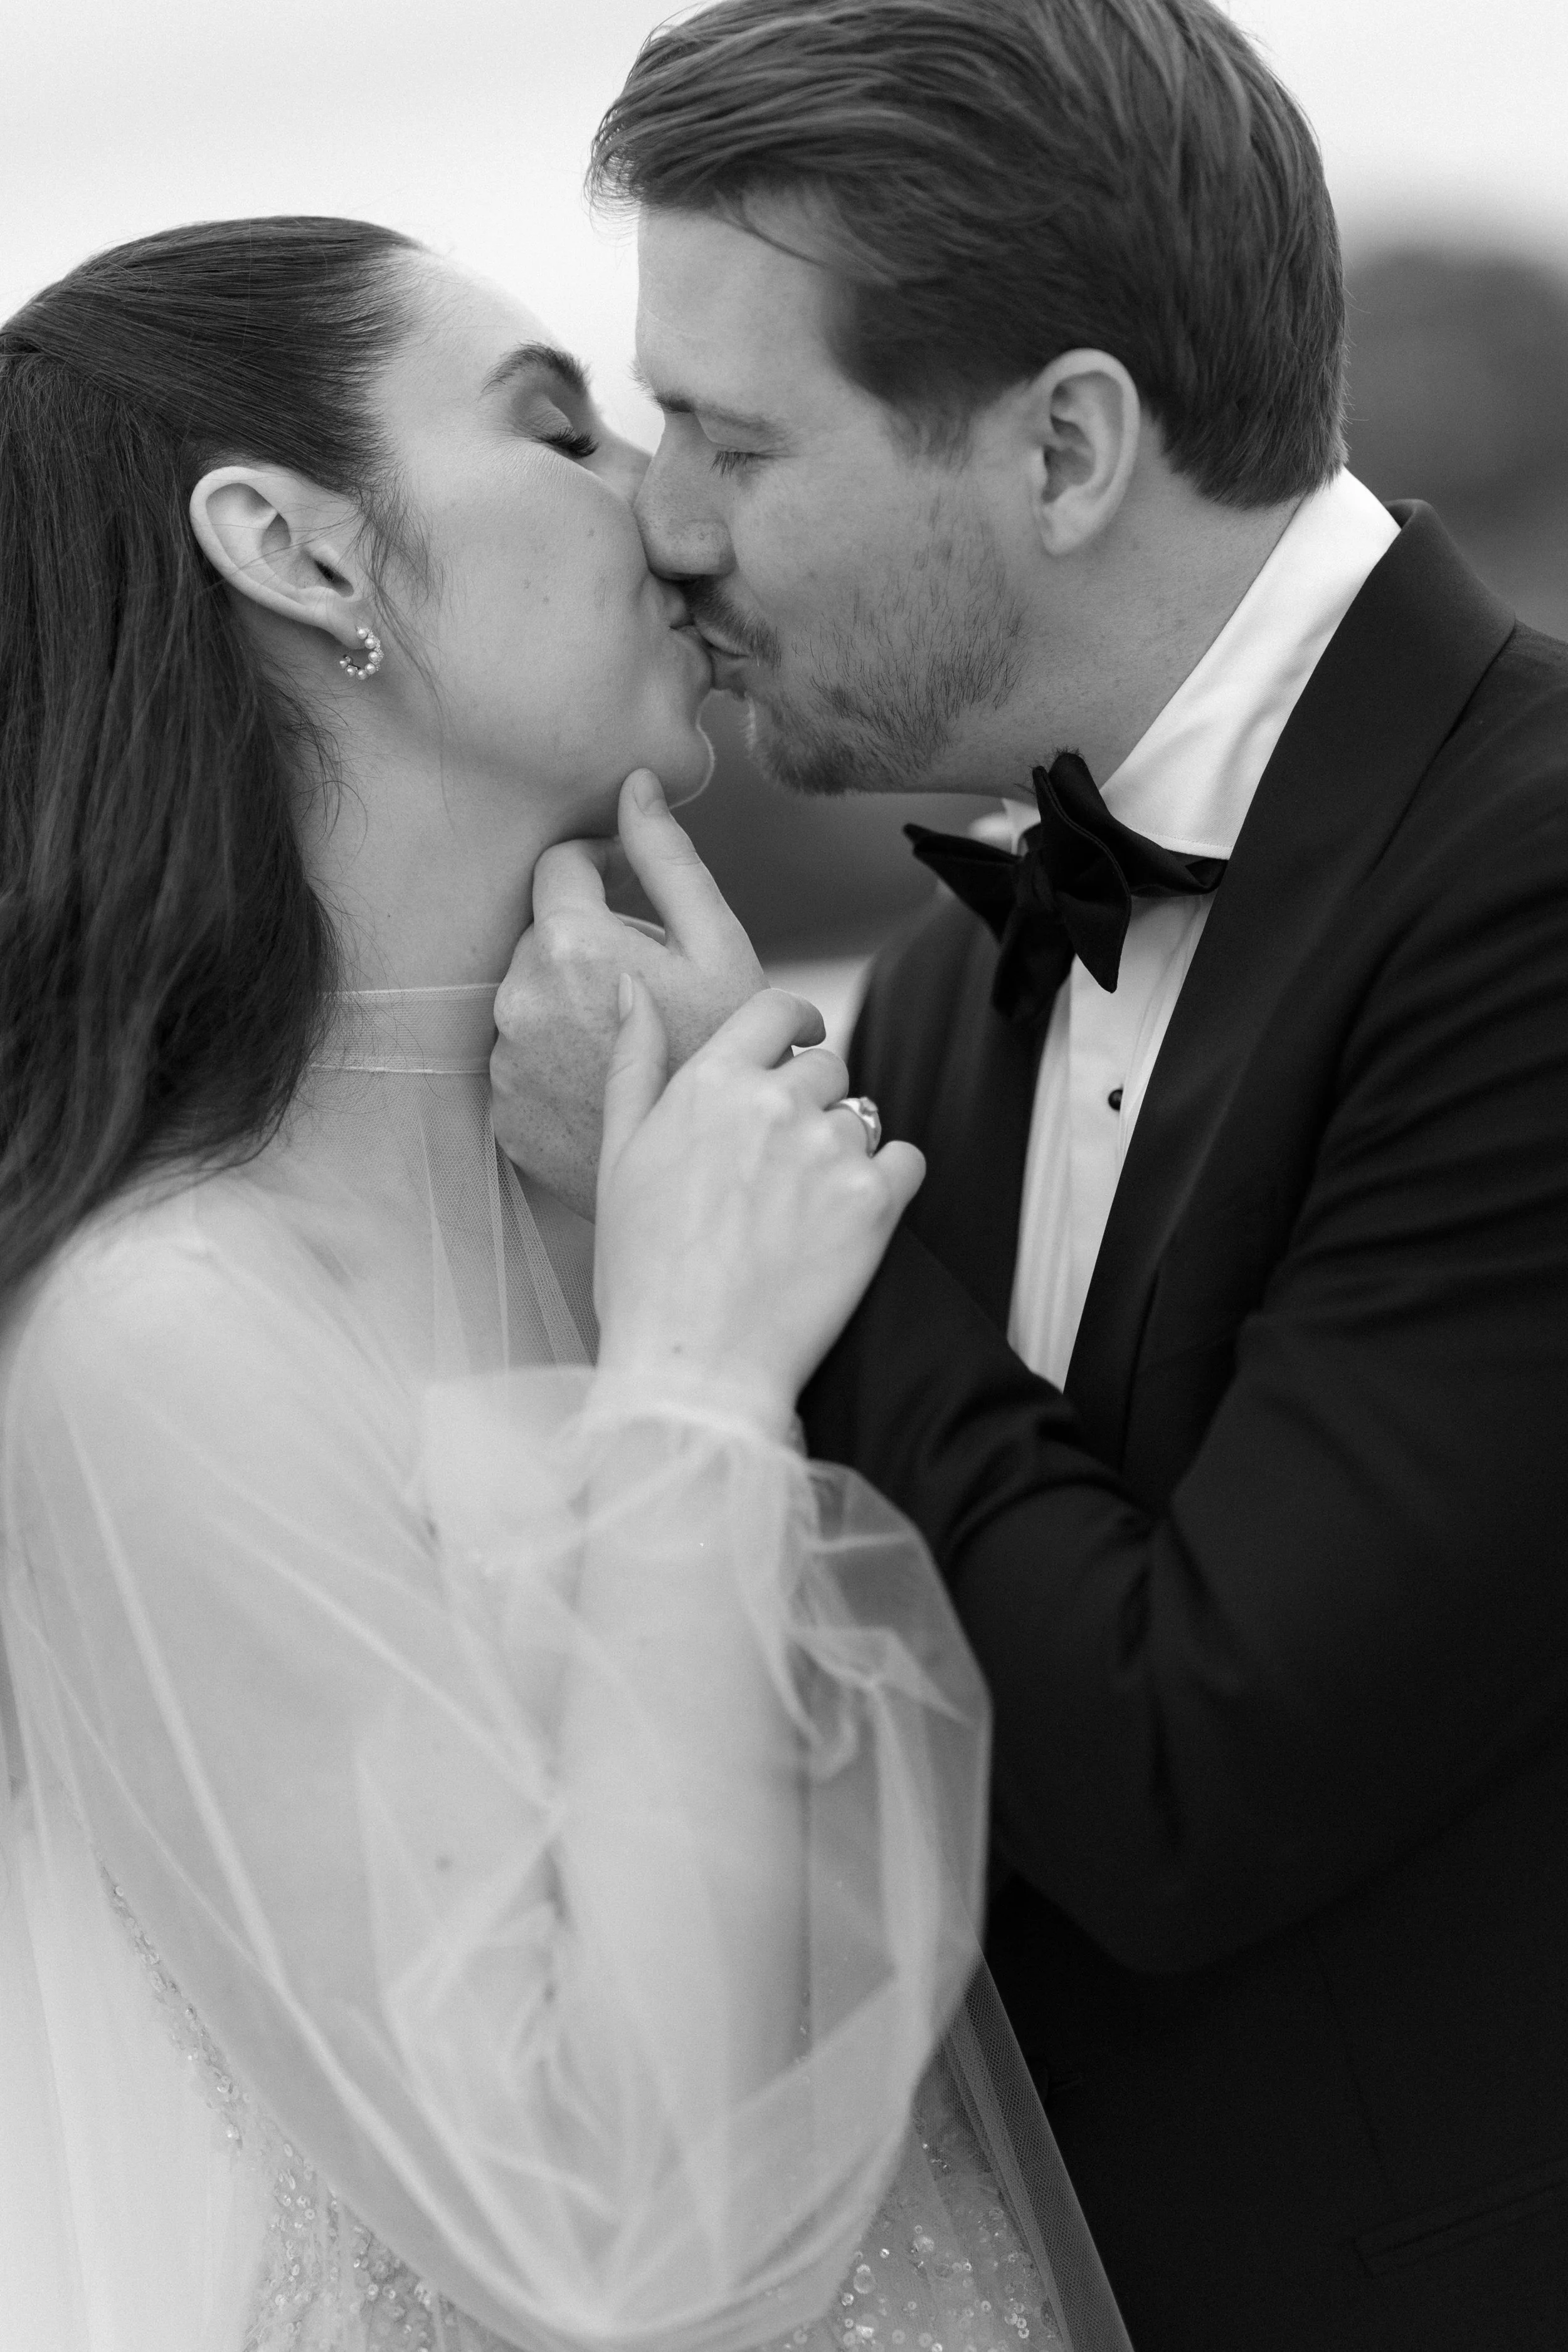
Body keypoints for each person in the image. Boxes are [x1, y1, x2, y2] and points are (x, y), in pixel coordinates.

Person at [486, 3, 1568, 2347]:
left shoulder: (1535, 887)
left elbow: (1196, 1776)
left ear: (1067, 442)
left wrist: (742, 1209)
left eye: (732, 437)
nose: (662, 523)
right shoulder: (924, 996)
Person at [0, 218, 1130, 2352]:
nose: (675, 509)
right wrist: (689, 1391)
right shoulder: (162, 1327)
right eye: (558, 427)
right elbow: (606, 2225)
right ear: (302, 550)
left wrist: (672, 1247)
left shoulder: (631, 1171)